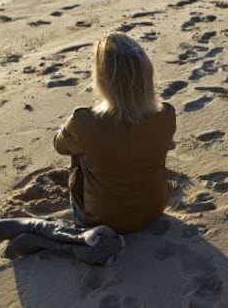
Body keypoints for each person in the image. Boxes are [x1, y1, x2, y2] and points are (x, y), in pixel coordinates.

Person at [54, 32, 176, 233]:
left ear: (102, 80)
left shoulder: (83, 120)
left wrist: (69, 130)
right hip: (153, 210)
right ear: (147, 75)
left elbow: (59, 146)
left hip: (98, 218)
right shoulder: (166, 114)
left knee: (79, 148)